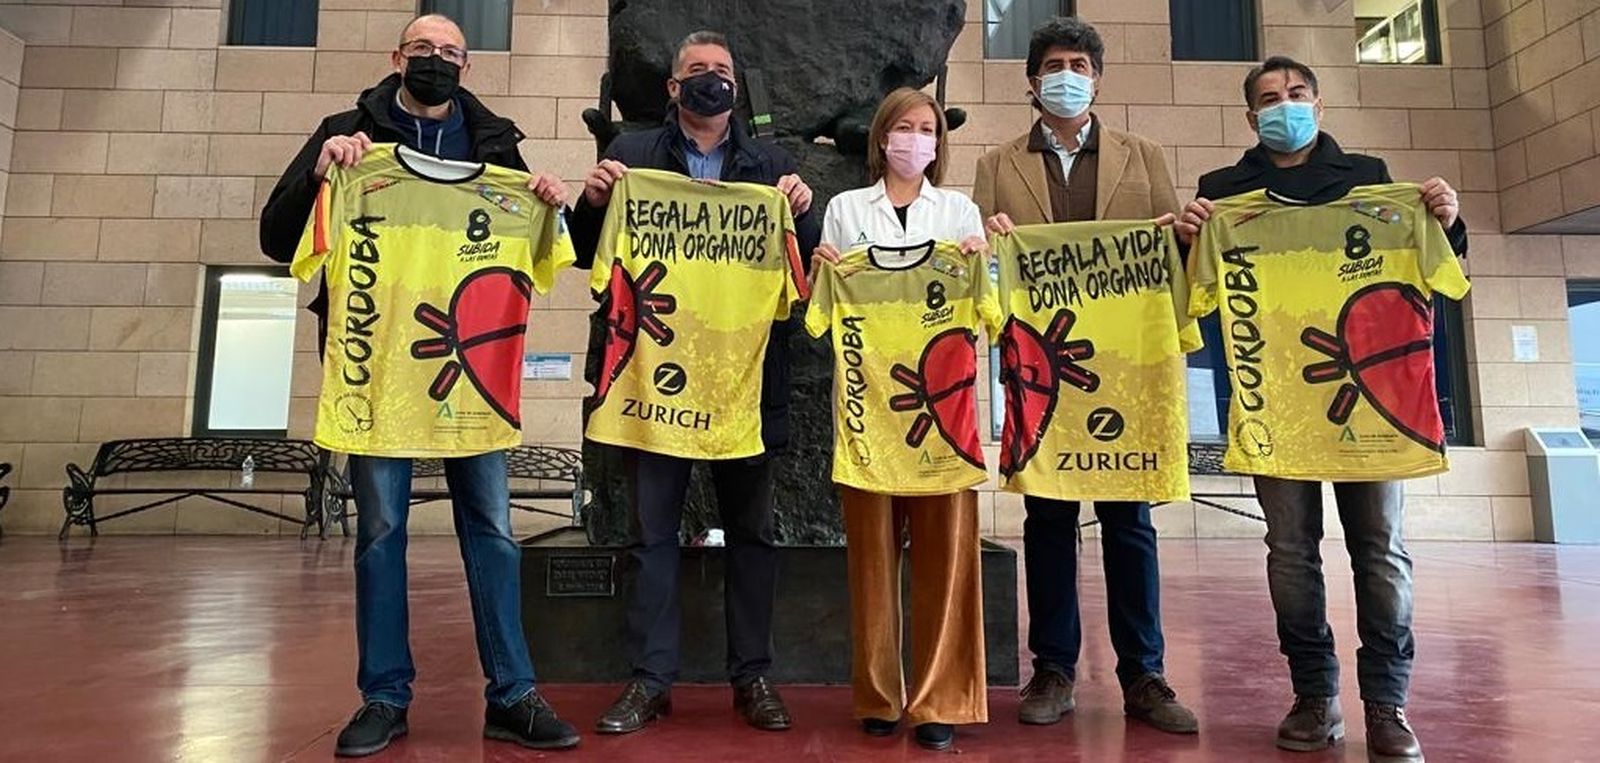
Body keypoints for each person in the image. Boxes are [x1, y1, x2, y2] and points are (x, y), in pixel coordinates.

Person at [258, 14, 579, 757]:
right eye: (423, 49)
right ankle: (383, 695)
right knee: (380, 533)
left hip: (472, 379)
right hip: (375, 370)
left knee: (494, 532)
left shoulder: (498, 143)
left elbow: (553, 254)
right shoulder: (347, 134)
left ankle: (513, 691)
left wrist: (547, 200)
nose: (436, 61)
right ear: (395, 56)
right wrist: (319, 174)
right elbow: (278, 240)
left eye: (450, 53)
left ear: (467, 65)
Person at [1174, 56, 1465, 763]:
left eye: (1296, 94)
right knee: (1290, 553)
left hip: (1371, 408)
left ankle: (1388, 703)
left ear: (1319, 104)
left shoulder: (1373, 180)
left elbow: (1444, 276)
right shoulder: (1223, 195)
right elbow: (1189, 299)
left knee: (1382, 551)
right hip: (1274, 406)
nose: (1284, 106)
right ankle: (1313, 693)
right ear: (1250, 117)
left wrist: (1448, 223)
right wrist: (1188, 242)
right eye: (1269, 98)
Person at [566, 30, 820, 735]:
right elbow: (583, 254)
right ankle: (649, 678)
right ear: (673, 88)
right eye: (696, 71)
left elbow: (803, 272)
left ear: (736, 88)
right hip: (654, 383)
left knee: (753, 532)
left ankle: (755, 675)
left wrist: (802, 211)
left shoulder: (771, 166)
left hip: (745, 383)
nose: (711, 79)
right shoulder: (630, 157)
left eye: (723, 71)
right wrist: (590, 202)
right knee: (651, 534)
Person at [972, 16, 1198, 734]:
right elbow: (983, 267)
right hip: (1043, 368)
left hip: (1128, 371)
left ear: (1098, 78)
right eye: (1053, 64)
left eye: (1079, 63)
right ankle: (1054, 666)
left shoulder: (1144, 154)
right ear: (1031, 80)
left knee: (1130, 521)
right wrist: (994, 247)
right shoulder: (997, 163)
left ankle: (1144, 672)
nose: (1066, 74)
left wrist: (1185, 235)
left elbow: (1173, 262)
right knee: (1048, 517)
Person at [810, 87, 991, 752]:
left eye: (928, 129)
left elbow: (989, 313)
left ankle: (940, 695)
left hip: (946, 417)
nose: (916, 139)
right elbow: (819, 311)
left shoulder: (961, 212)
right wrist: (822, 271)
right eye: (904, 128)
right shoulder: (845, 212)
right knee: (872, 562)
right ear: (881, 137)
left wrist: (984, 264)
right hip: (867, 414)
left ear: (939, 144)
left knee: (946, 562)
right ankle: (879, 694)